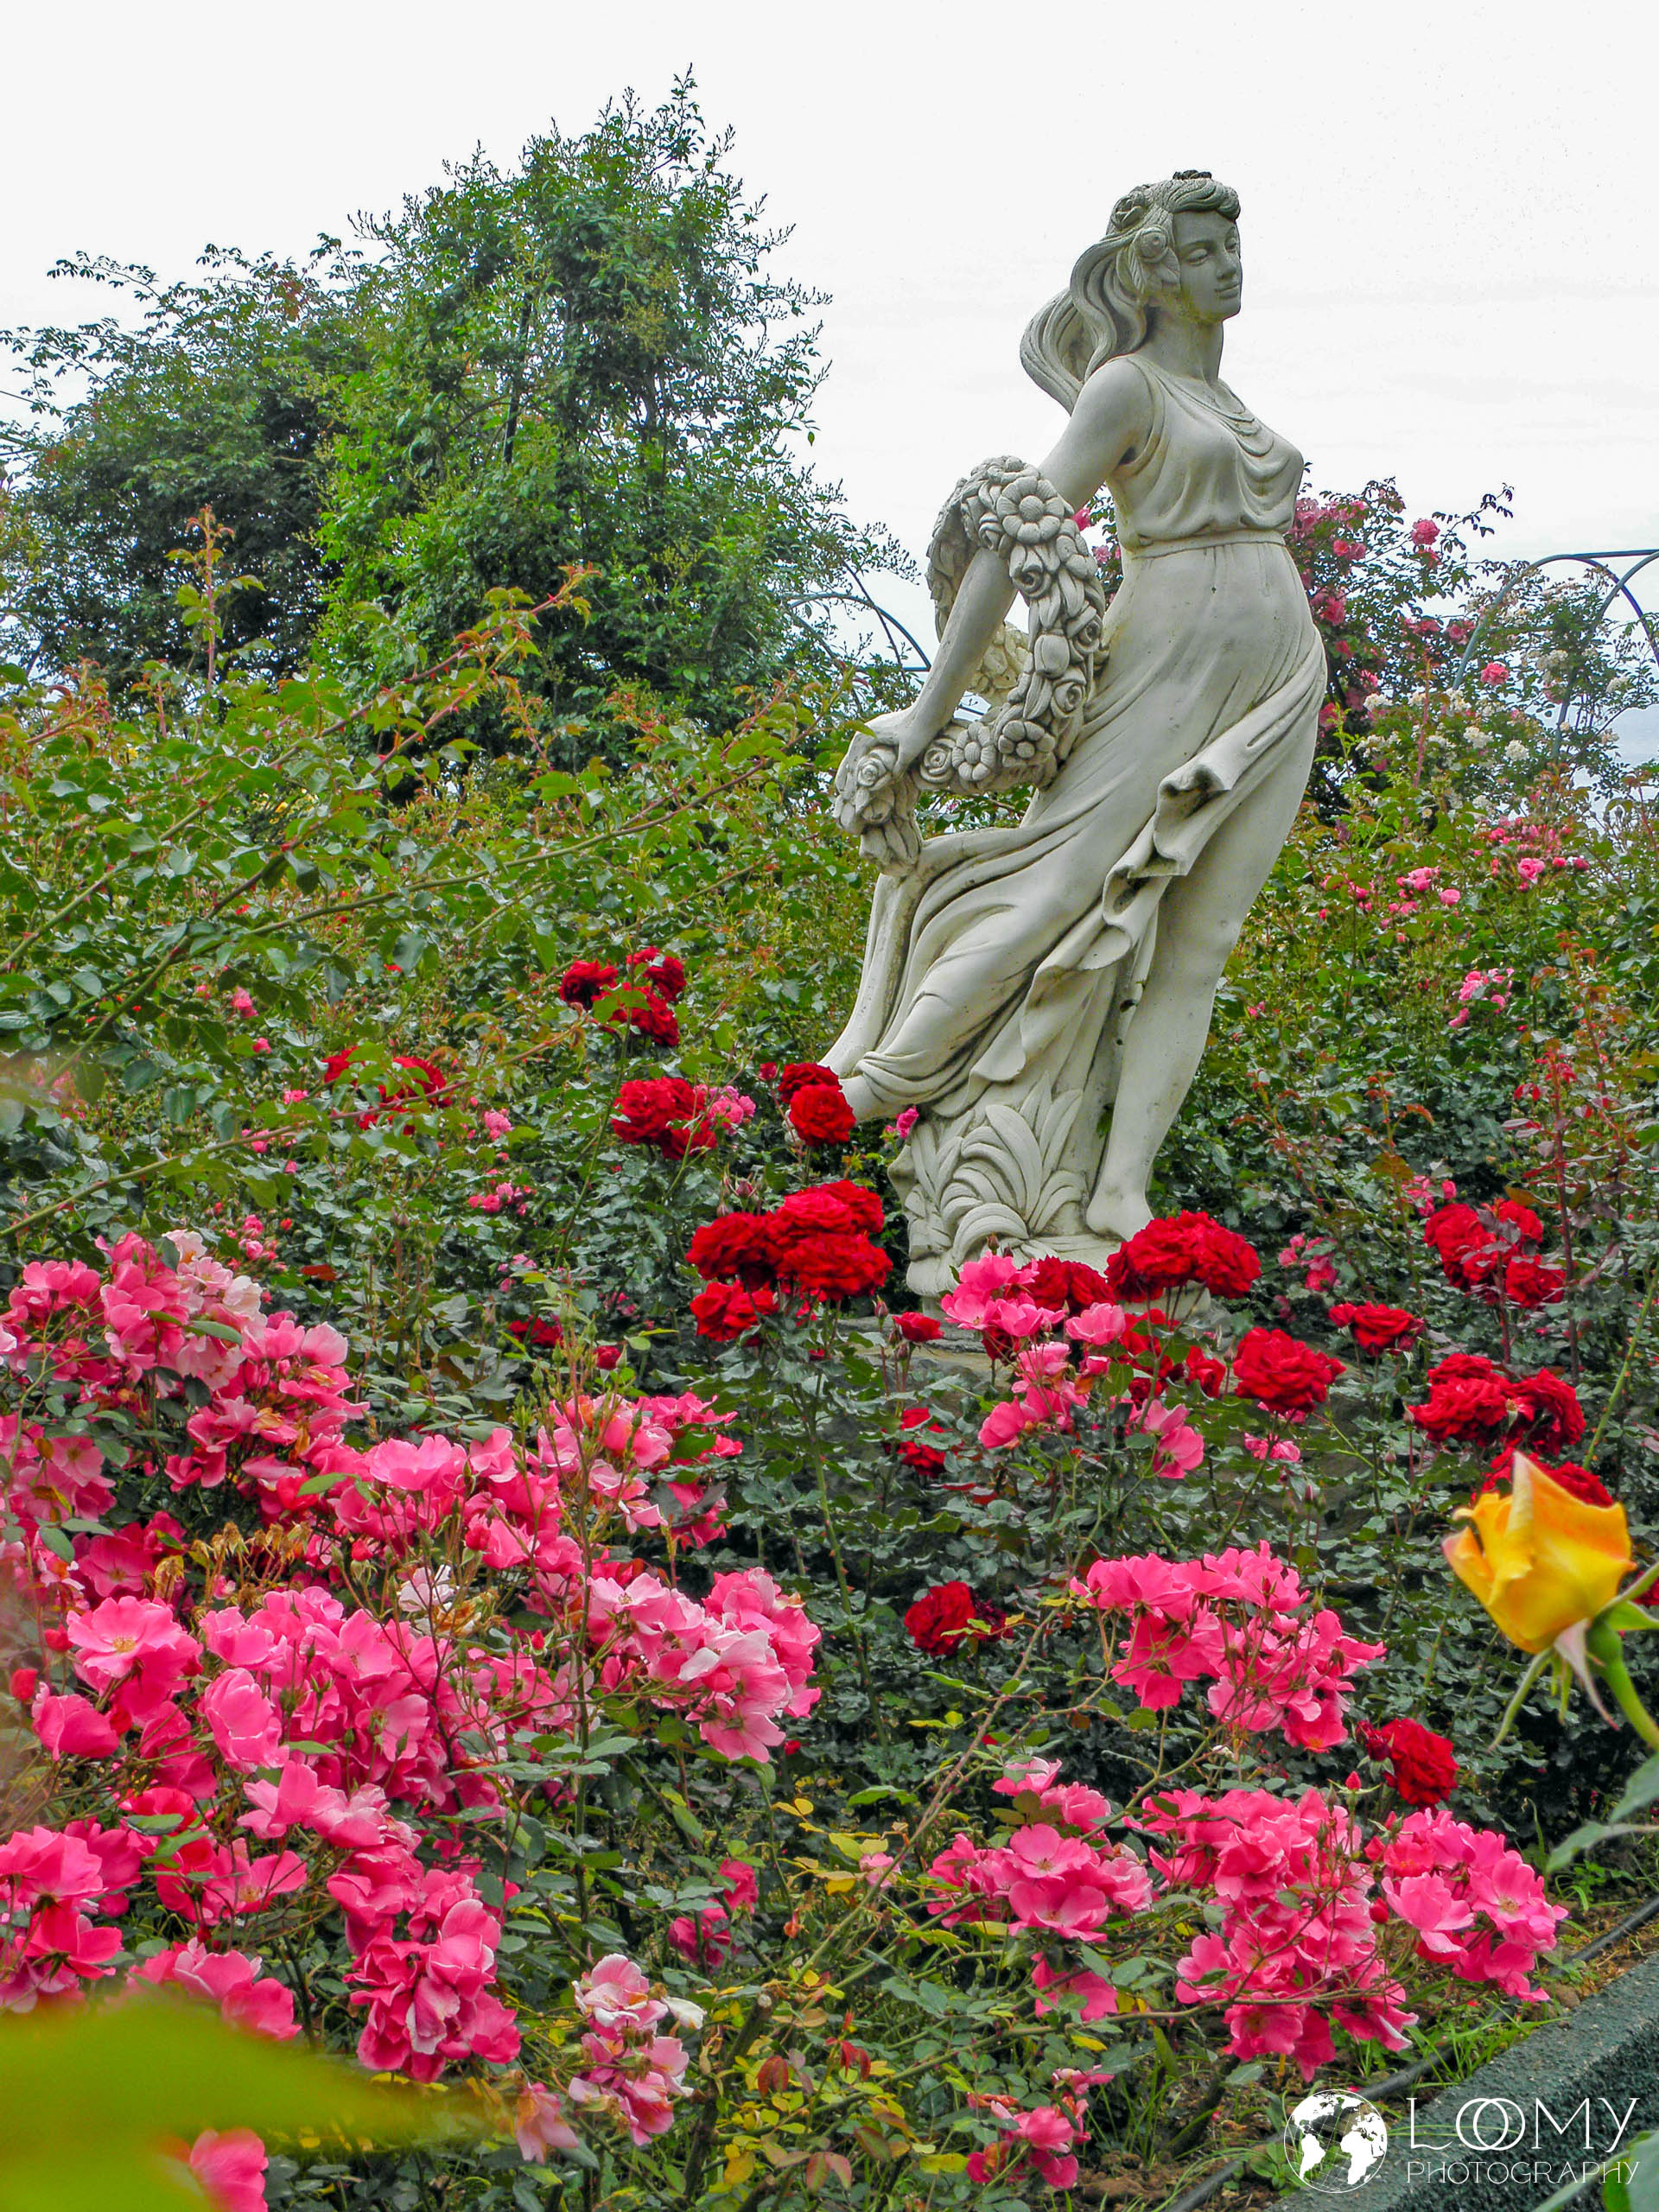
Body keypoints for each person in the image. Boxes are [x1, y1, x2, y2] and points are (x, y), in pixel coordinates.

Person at [824, 171, 1324, 1297]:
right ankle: (880, 1079)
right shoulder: (1127, 388)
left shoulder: (1229, 401)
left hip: (1282, 673)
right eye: (1202, 250)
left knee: (1200, 945)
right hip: (1167, 662)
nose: (1228, 265)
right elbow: (1014, 538)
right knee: (1062, 885)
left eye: (1231, 245)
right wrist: (933, 708)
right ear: (1155, 269)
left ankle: (1119, 1190)